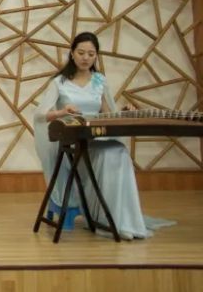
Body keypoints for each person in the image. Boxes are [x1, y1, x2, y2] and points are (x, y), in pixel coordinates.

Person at [33, 31, 173, 239]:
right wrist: (62, 112)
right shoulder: (59, 82)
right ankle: (109, 220)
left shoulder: (100, 81)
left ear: (96, 56)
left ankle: (122, 220)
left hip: (96, 138)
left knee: (119, 151)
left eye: (91, 54)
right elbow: (40, 115)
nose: (86, 58)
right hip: (73, 143)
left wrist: (123, 112)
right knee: (109, 154)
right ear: (72, 53)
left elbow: (107, 114)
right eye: (81, 52)